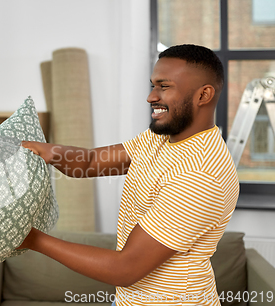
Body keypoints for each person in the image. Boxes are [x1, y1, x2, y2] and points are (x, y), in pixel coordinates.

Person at [19, 44, 239, 306]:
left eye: (164, 86)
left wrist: (31, 238)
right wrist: (47, 151)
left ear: (203, 95)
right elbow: (90, 162)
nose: (150, 97)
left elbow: (124, 269)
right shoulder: (161, 139)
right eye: (152, 85)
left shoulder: (202, 174)